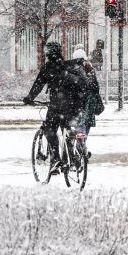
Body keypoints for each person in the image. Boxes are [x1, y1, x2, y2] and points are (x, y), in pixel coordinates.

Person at [23, 42, 87, 173]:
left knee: (49, 130)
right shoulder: (67, 65)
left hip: (56, 107)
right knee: (68, 131)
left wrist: (29, 98)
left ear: (48, 53)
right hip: (72, 107)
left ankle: (56, 159)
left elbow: (38, 84)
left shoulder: (48, 67)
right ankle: (73, 158)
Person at [71, 48, 104, 137]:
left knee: (79, 123)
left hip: (79, 101)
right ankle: (82, 143)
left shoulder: (72, 69)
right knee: (86, 123)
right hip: (90, 101)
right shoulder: (90, 69)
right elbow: (96, 87)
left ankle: (80, 144)